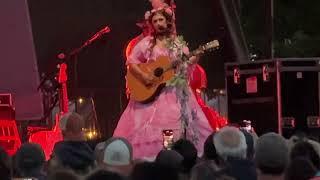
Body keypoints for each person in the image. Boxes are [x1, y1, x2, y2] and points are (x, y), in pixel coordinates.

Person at [113, 7, 212, 160]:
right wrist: (145, 75)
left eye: (161, 20)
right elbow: (131, 62)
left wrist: (194, 58)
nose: (158, 23)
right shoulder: (147, 43)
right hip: (150, 92)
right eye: (155, 21)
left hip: (174, 91)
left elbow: (185, 68)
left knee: (178, 125)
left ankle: (176, 159)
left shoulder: (178, 44)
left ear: (167, 22)